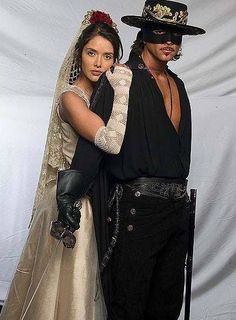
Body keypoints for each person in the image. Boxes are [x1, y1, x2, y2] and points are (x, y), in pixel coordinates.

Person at [53, 1, 206, 319]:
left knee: (166, 305)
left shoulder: (178, 84)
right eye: (161, 31)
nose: (169, 41)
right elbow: (94, 141)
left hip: (175, 210)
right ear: (144, 32)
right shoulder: (120, 78)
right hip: (136, 209)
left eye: (176, 35)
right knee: (129, 304)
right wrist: (69, 193)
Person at [0, 10, 133, 320]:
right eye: (91, 53)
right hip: (73, 203)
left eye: (108, 56)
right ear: (79, 54)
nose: (99, 63)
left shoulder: (102, 97)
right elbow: (111, 142)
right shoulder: (70, 99)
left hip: (94, 198)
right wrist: (124, 89)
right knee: (62, 290)